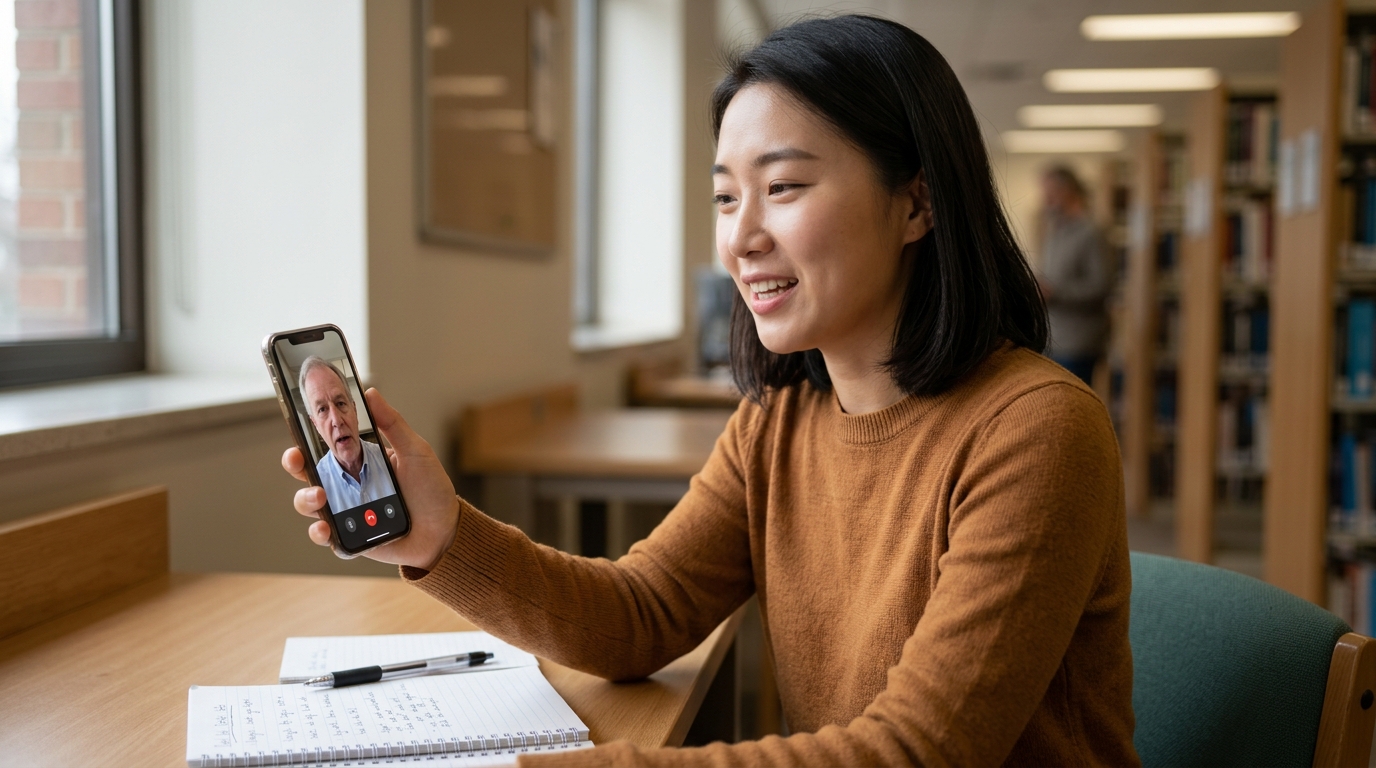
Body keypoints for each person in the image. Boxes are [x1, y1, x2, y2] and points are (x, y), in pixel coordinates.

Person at [281, 15, 1136, 767]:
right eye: (726, 196)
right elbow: (641, 615)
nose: (742, 237)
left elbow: (918, 754)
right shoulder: (781, 421)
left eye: (785, 187)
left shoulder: (1036, 430)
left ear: (917, 203)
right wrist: (442, 534)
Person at [1038, 165, 1112, 386]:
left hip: (1078, 342)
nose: (1045, 199)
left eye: (1049, 192)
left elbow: (1101, 286)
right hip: (1054, 338)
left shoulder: (1091, 232)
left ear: (1067, 191)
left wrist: (1055, 292)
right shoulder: (1056, 232)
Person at [298, 355, 396, 511]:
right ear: (315, 424)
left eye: (340, 403)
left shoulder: (392, 464)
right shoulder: (318, 486)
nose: (337, 420)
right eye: (322, 409)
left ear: (354, 409)